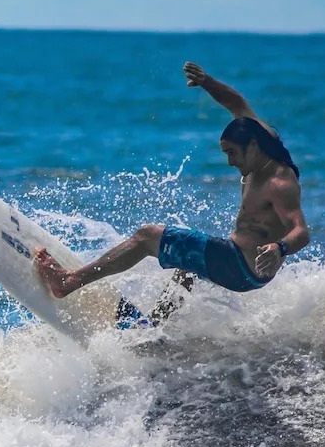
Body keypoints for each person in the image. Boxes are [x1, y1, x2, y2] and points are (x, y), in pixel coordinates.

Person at [35, 61, 310, 323]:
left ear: (252, 146)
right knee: (187, 264)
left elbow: (301, 231)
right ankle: (156, 329)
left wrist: (280, 247)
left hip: (239, 265)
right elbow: (236, 103)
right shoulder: (259, 136)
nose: (230, 162)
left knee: (147, 236)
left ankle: (69, 281)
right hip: (245, 268)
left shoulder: (279, 181)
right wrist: (207, 83)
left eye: (233, 154)